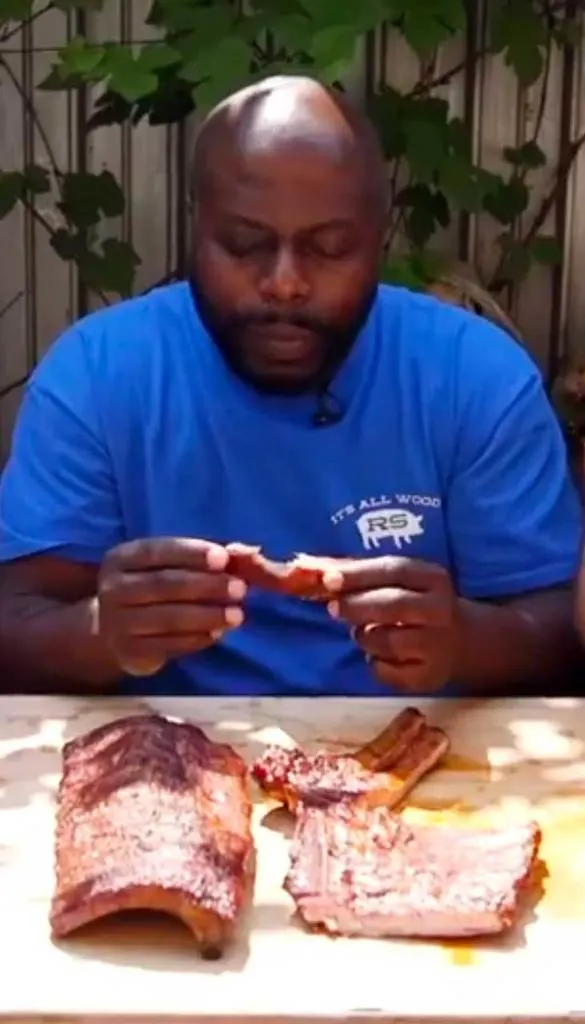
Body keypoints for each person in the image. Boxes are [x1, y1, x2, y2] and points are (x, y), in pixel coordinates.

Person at [0, 74, 581, 697]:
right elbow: (16, 624)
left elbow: (560, 635)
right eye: (245, 245)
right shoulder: (98, 374)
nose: (284, 283)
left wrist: (461, 641)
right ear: (198, 231)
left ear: (378, 242)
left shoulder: (477, 378)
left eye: (329, 249)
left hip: (425, 770)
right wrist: (99, 634)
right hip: (170, 765)